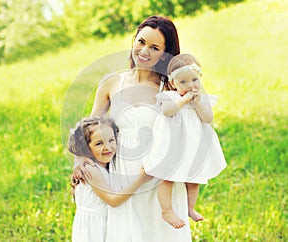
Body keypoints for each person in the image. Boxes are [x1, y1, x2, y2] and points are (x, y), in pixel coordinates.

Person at [73, 15, 193, 242]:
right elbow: (89, 128)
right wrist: (80, 157)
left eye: (155, 47)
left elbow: (187, 132)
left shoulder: (169, 88)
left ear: (165, 54)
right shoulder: (112, 83)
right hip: (123, 174)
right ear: (134, 40)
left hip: (158, 176)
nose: (144, 50)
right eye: (141, 41)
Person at [143, 53, 227, 228]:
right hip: (172, 145)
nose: (190, 85)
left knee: (194, 178)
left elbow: (208, 118)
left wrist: (197, 103)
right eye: (183, 82)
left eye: (194, 80)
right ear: (173, 83)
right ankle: (166, 210)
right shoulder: (170, 96)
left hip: (193, 146)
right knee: (166, 176)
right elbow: (167, 111)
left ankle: (190, 207)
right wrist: (184, 100)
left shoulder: (201, 99)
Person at [69, 116, 152, 242]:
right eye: (99, 143)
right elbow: (112, 200)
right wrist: (140, 179)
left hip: (103, 224)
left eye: (111, 140)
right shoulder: (91, 169)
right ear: (86, 148)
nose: (108, 147)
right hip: (92, 228)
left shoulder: (108, 166)